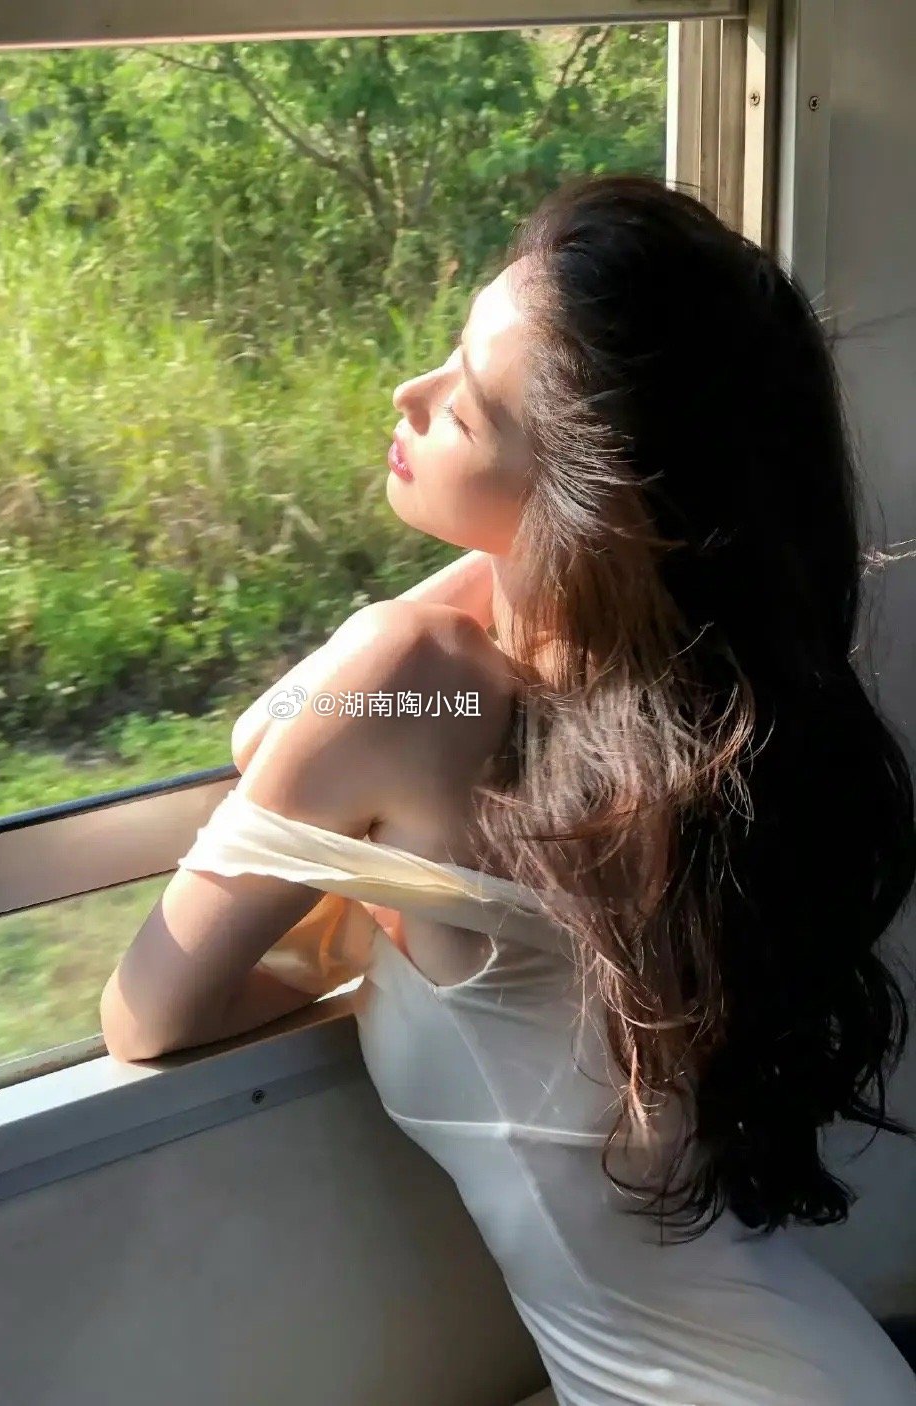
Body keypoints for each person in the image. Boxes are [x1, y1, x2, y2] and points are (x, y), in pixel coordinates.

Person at [100, 174, 916, 1404]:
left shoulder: (412, 686)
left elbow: (144, 1010)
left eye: (467, 406)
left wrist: (346, 940)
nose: (408, 393)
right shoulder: (692, 725)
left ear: (590, 507)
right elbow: (276, 729)